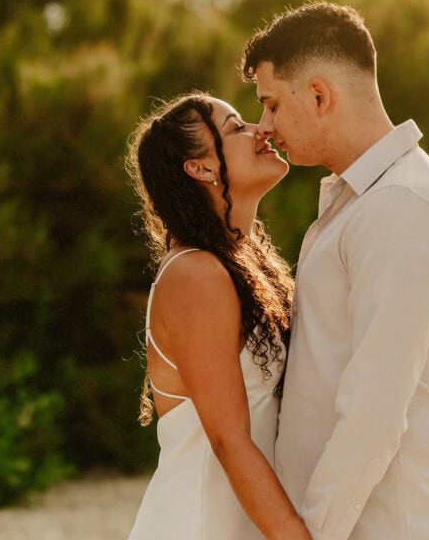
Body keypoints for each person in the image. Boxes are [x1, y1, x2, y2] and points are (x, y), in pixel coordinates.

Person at [242, 1, 429, 540]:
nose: (266, 126)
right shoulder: (362, 199)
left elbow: (375, 410)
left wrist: (312, 534)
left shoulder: (399, 207)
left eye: (273, 105)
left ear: (320, 95)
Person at [125, 93, 313, 540]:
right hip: (201, 524)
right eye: (235, 128)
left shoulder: (239, 265)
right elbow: (229, 440)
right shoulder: (196, 274)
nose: (260, 130)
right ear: (201, 168)